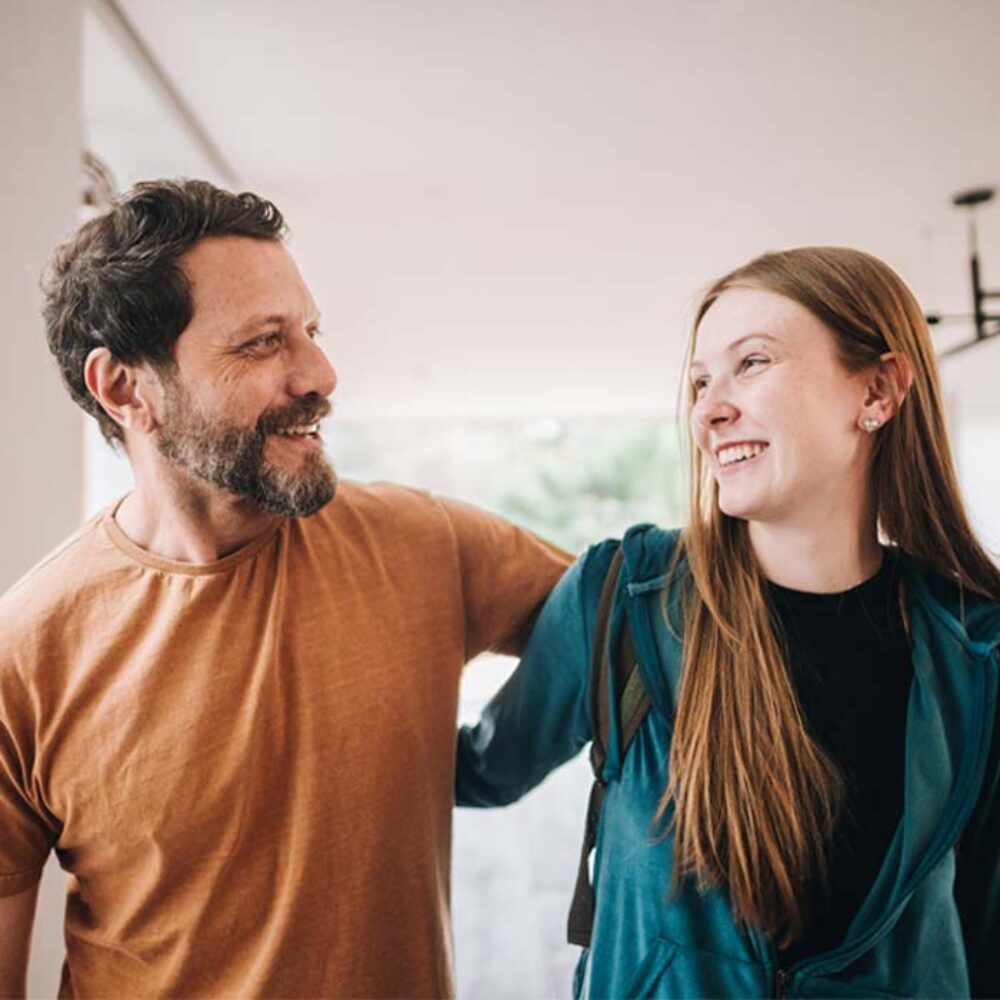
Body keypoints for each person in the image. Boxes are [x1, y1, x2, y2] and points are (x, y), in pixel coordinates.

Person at [0, 179, 569, 998]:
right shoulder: (28, 653)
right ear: (125, 388)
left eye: (310, 331)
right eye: (263, 344)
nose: (320, 373)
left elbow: (634, 623)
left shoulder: (425, 545)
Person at [457, 247, 1000, 998]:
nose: (709, 408)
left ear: (877, 391)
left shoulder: (976, 648)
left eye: (753, 363)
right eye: (700, 381)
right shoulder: (624, 595)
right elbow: (477, 769)